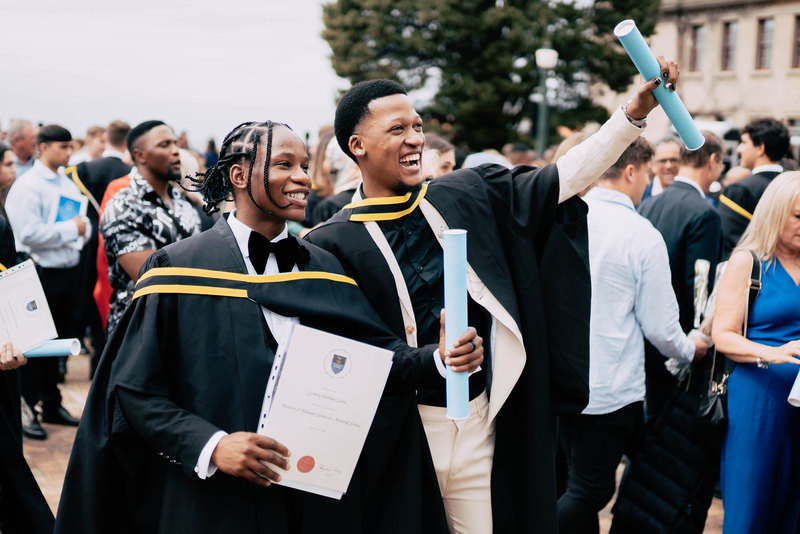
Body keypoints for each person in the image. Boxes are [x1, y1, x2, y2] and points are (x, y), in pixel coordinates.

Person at [55, 120, 482, 533]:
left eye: (302, 165)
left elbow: (375, 360)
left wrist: (440, 359)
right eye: (284, 164)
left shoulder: (324, 268)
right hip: (216, 500)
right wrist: (213, 445)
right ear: (239, 175)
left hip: (313, 497)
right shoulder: (178, 268)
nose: (302, 178)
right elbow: (134, 391)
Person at [305, 62, 677, 533]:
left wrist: (631, 115)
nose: (415, 138)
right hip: (402, 434)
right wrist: (430, 359)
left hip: (480, 424)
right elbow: (346, 355)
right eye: (397, 129)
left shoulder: (464, 194)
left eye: (418, 126)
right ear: (357, 145)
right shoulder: (329, 243)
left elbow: (558, 179)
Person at [558, 138, 707, 532]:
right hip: (608, 388)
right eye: (647, 172)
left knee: (569, 484)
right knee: (589, 492)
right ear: (630, 171)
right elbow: (660, 326)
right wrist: (692, 348)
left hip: (555, 380)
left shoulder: (561, 220)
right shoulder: (639, 233)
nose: (648, 183)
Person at [712, 171, 800, 534]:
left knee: (791, 506)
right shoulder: (749, 262)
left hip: (798, 401)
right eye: (798, 217)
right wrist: (775, 353)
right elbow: (723, 336)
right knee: (750, 508)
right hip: (758, 400)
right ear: (776, 213)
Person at [5, 125, 89, 439]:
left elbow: (85, 223)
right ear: (43, 147)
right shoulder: (29, 186)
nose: (68, 154)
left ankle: (52, 403)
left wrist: (80, 230)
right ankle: (27, 408)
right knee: (33, 345)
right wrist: (72, 230)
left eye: (71, 147)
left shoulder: (66, 182)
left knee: (59, 341)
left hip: (68, 271)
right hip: (40, 272)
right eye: (62, 147)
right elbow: (26, 235)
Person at [638, 131, 724, 418]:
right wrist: (698, 339)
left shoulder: (648, 204)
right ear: (712, 160)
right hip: (681, 340)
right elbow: (699, 286)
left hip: (645, 334)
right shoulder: (704, 212)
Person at [100, 120, 202, 335]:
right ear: (140, 156)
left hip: (187, 325)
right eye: (164, 145)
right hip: (140, 331)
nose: (176, 152)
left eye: (175, 143)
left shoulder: (182, 202)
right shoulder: (123, 205)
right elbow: (153, 278)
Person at [68, 120, 133, 375]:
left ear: (106, 139)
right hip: (119, 247)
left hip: (87, 242)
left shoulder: (82, 169)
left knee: (85, 300)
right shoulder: (130, 173)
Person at [719, 118, 790, 257]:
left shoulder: (739, 190)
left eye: (744, 142)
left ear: (760, 148)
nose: (739, 149)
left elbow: (729, 245)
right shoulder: (793, 187)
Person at [640, 137, 680, 203]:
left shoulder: (693, 194)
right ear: (653, 165)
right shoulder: (641, 195)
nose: (668, 166)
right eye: (663, 161)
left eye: (673, 160)